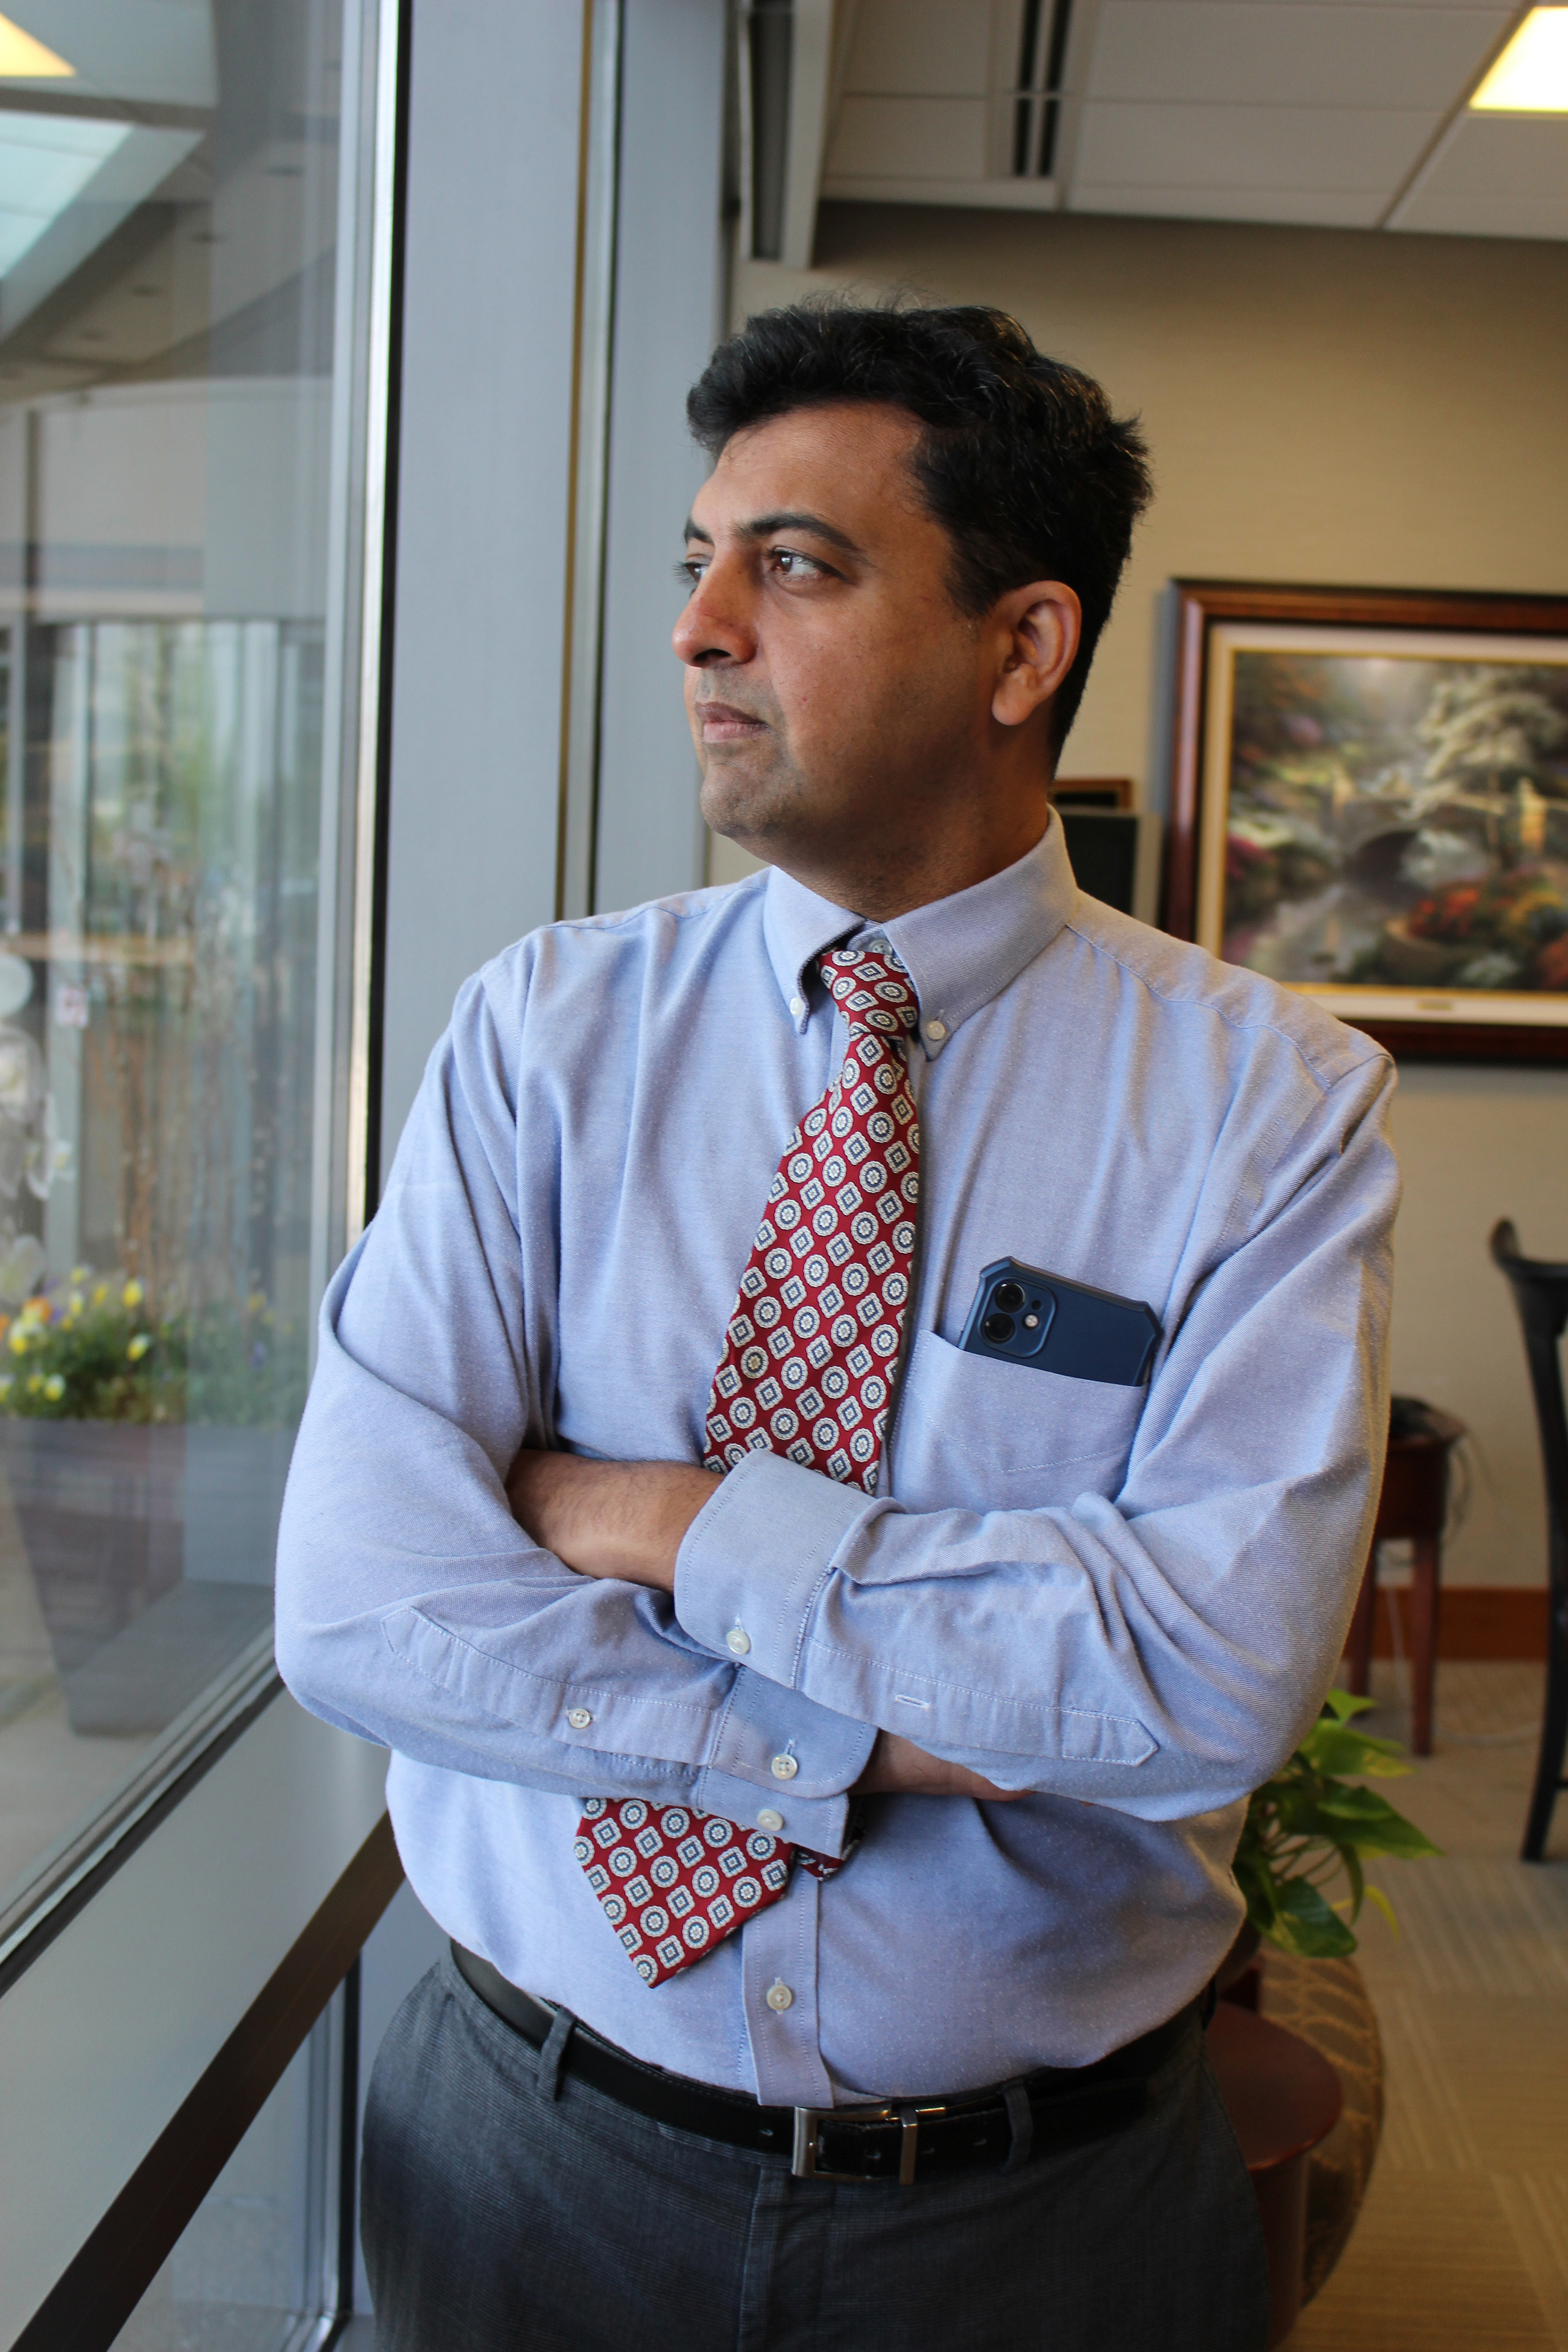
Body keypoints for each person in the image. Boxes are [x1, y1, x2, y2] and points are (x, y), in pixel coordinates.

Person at [276, 302, 1398, 2352]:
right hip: (523, 2155)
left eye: (791, 565)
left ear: (1022, 648)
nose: (702, 625)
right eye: (694, 560)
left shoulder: (1271, 1106)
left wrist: (649, 1517)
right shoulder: (545, 1035)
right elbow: (360, 1600)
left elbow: (1209, 1684)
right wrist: (842, 1742)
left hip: (1034, 2231)